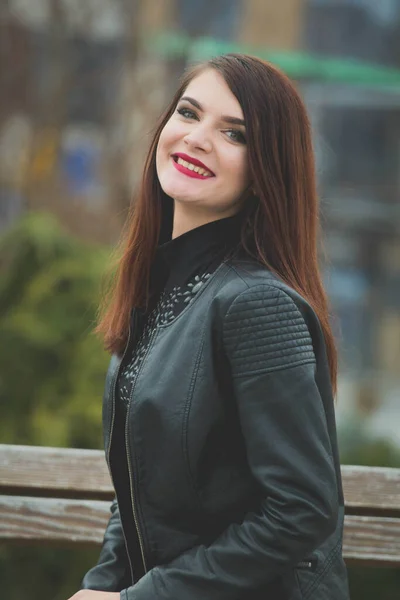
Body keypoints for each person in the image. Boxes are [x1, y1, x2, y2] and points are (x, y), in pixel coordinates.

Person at [70, 53, 350, 600]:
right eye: (188, 113)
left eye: (235, 133)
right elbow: (139, 485)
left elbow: (302, 510)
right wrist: (101, 587)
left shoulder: (256, 302)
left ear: (266, 170)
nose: (197, 138)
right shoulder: (156, 293)